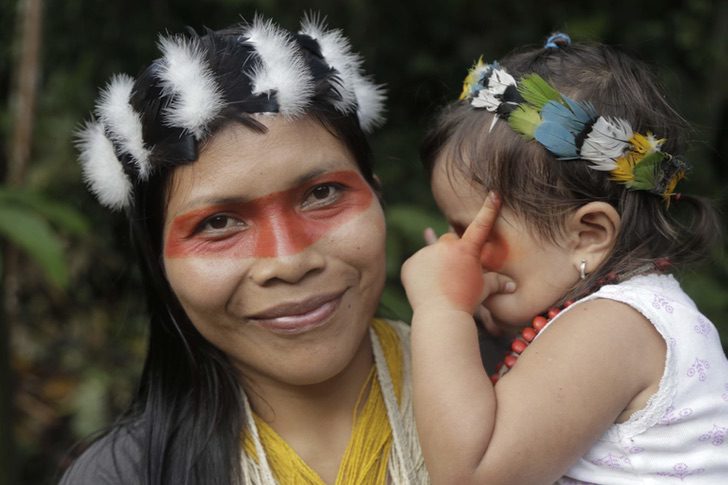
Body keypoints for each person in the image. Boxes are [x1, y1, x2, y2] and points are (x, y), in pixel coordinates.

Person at [61, 15, 428, 485]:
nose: (289, 261)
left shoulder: (521, 382)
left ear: (377, 197)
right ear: (160, 263)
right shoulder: (123, 476)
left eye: (322, 194)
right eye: (218, 223)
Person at [401, 32, 728, 484]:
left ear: (589, 235)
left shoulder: (613, 327)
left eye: (470, 232)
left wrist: (441, 310)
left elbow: (470, 476)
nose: (454, 253)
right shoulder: (617, 320)